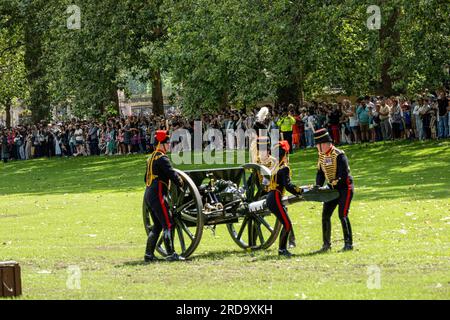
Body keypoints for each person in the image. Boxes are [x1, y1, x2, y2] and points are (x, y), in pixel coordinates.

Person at [144, 130, 185, 262]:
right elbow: (171, 174)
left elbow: (145, 178)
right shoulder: (162, 158)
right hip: (158, 194)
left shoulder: (150, 158)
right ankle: (171, 253)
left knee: (157, 225)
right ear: (161, 144)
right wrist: (180, 183)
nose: (169, 146)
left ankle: (149, 255)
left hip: (149, 193)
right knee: (168, 224)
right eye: (167, 143)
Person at [314, 128, 354, 252]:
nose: (317, 147)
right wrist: (318, 186)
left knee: (342, 215)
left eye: (318, 145)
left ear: (325, 143)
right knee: (325, 215)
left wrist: (333, 183)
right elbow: (320, 173)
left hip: (345, 188)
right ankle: (326, 245)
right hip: (332, 189)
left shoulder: (339, 154)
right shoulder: (321, 155)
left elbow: (344, 174)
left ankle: (348, 244)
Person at [266, 141, 302, 257]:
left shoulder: (274, 167)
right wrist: (300, 191)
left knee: (286, 223)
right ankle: (282, 250)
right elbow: (288, 186)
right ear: (285, 155)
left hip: (271, 197)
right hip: (275, 197)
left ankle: (283, 249)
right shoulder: (284, 168)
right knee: (287, 224)